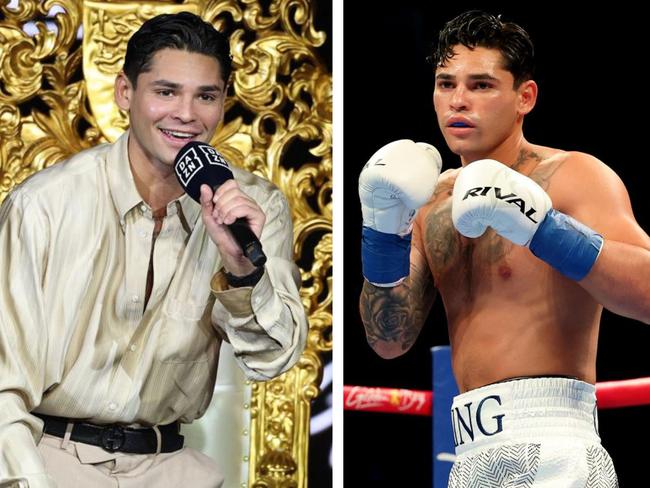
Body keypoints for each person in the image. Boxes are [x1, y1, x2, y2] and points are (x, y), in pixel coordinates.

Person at [0, 11, 307, 488]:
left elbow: (273, 359)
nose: (186, 114)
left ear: (223, 101)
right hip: (48, 459)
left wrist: (243, 272)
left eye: (205, 96)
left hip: (172, 465)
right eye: (166, 92)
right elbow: (2, 386)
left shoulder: (252, 205)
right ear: (126, 93)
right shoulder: (43, 205)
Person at [359, 10, 650, 487]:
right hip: (471, 456)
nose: (458, 101)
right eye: (445, 83)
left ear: (525, 97)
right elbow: (387, 339)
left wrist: (543, 228)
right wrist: (381, 233)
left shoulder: (571, 176)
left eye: (481, 85)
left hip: (557, 446)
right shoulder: (431, 203)